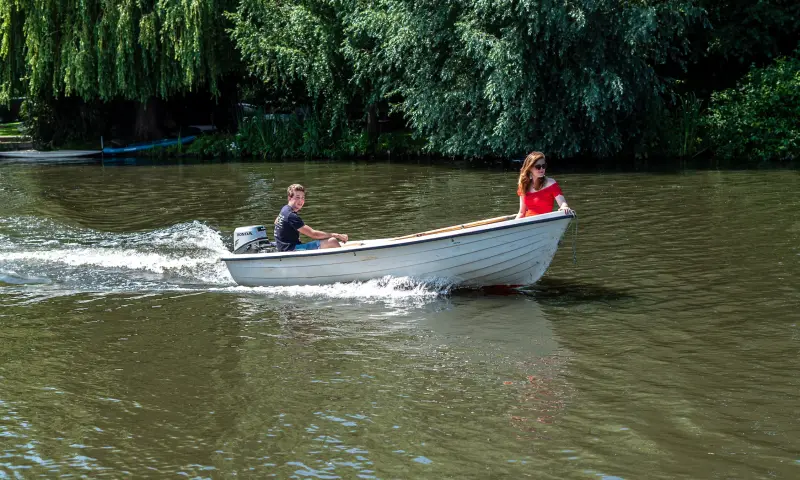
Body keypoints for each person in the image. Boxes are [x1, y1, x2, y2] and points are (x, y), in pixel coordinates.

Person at [273, 184, 348, 251]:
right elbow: (313, 234)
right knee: (332, 241)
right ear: (289, 198)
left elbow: (276, 221)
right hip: (291, 249)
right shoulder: (291, 215)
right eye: (297, 197)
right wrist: (336, 235)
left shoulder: (285, 209)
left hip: (284, 247)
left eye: (303, 197)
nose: (301, 201)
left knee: (328, 242)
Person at [515, 151, 573, 219]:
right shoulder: (524, 185)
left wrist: (564, 207)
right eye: (538, 167)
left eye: (544, 166)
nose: (542, 169)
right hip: (527, 222)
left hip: (544, 221)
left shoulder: (551, 183)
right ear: (530, 168)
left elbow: (562, 203)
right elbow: (521, 212)